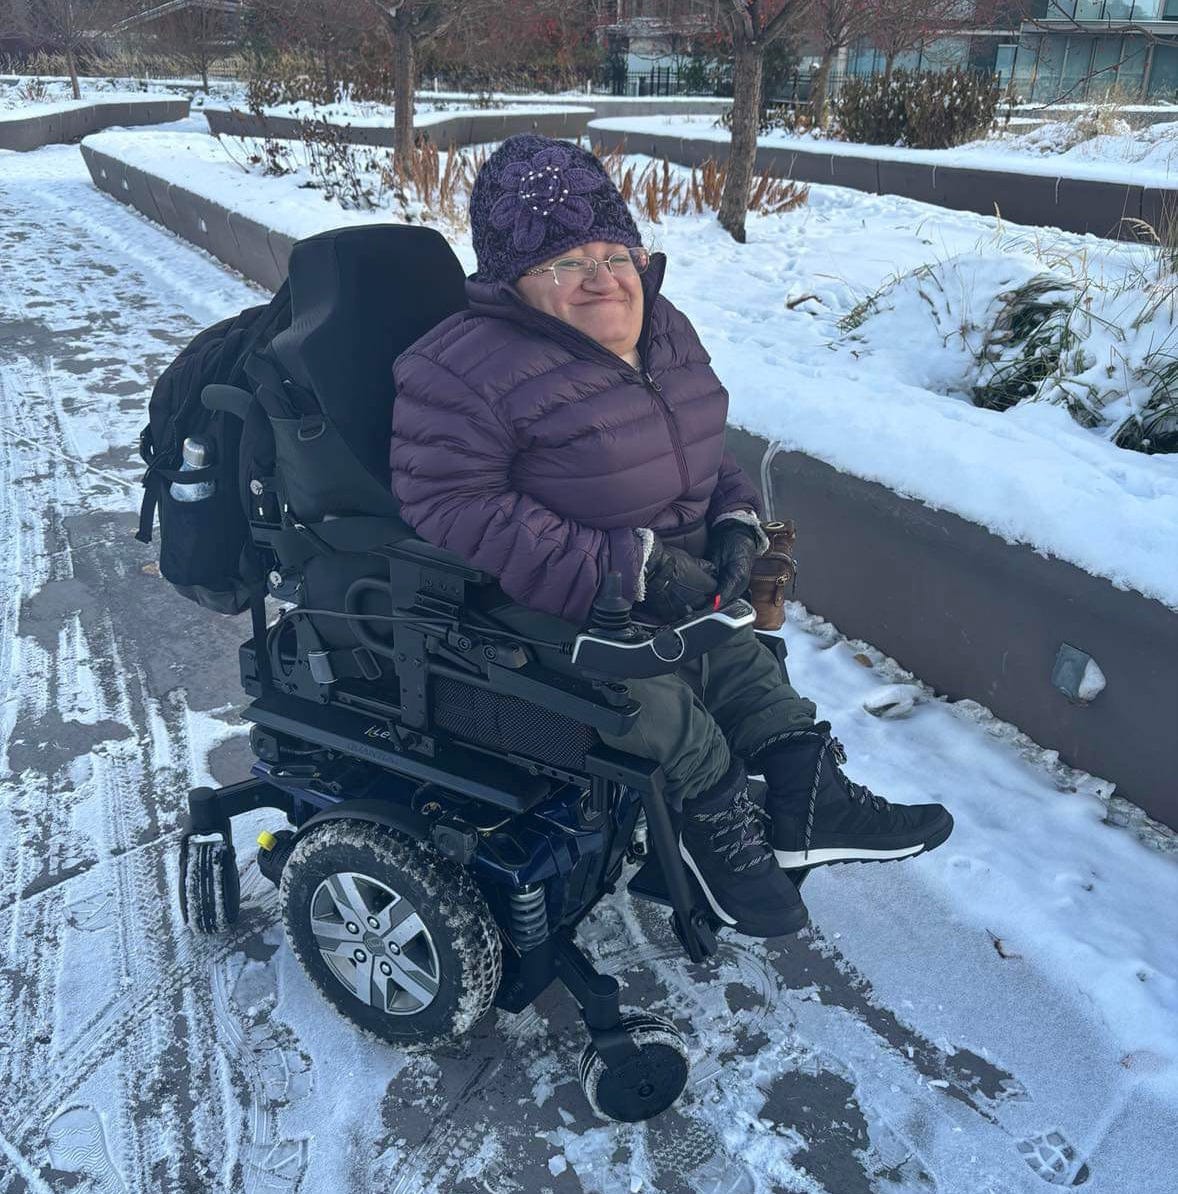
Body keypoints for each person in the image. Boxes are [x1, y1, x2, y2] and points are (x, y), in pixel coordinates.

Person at [390, 135, 952, 938]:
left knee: (742, 664)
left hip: (669, 577)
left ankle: (806, 800)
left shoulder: (662, 326)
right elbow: (451, 503)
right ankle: (709, 834)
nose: (603, 277)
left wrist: (732, 522)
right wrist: (630, 570)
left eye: (616, 250)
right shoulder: (456, 369)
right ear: (511, 276)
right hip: (537, 601)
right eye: (565, 261)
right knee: (659, 702)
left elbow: (698, 450)